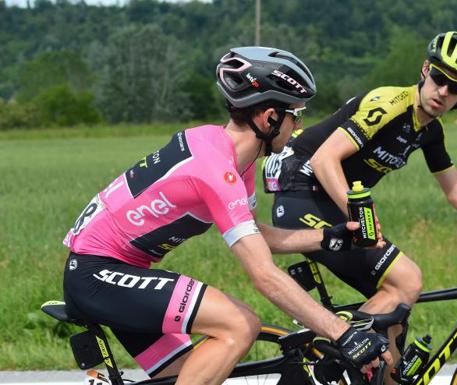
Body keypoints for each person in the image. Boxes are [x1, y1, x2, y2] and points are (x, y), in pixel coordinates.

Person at [62, 47, 391, 385]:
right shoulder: (217, 170)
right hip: (98, 274)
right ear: (269, 118)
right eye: (295, 114)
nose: (298, 126)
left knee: (195, 374)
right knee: (239, 325)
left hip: (114, 273)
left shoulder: (225, 152)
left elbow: (256, 236)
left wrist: (329, 237)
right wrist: (344, 333)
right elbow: (264, 275)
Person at [262, 31, 457, 379]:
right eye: (439, 79)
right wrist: (360, 218)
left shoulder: (429, 131)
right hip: (302, 191)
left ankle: (353, 360)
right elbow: (327, 159)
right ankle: (328, 362)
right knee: (407, 280)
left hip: (328, 198)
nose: (444, 92)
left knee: (394, 330)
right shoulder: (390, 103)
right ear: (424, 69)